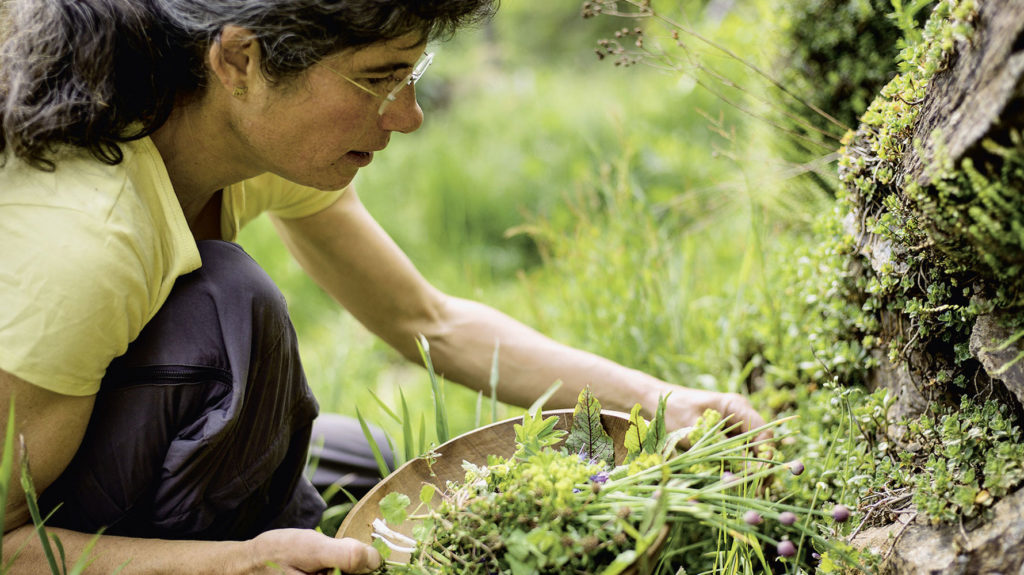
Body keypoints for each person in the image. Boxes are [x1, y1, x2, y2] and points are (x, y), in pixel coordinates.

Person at [0, 0, 768, 573]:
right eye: (377, 80)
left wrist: (662, 402)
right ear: (239, 61)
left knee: (369, 461)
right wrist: (230, 563)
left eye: (411, 73)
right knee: (230, 311)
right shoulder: (86, 236)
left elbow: (427, 320)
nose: (409, 116)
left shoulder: (246, 142)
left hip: (94, 445)